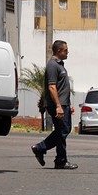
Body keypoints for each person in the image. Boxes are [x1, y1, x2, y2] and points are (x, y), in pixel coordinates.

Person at [31, 40, 78, 170]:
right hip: (57, 105)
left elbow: (62, 88)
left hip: (63, 104)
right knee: (63, 130)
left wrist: (67, 104)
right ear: (59, 51)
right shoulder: (52, 65)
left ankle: (54, 157)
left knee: (62, 130)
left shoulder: (60, 65)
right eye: (66, 50)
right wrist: (58, 105)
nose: (68, 52)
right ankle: (51, 154)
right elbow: (52, 87)